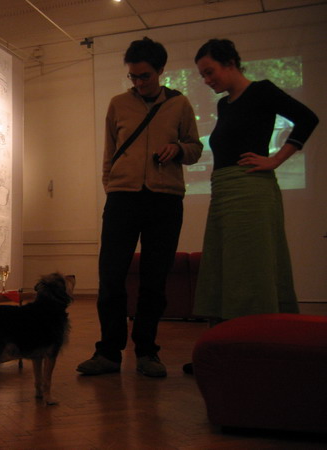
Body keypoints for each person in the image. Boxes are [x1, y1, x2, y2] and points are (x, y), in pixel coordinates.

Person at [184, 39, 319, 374]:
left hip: (251, 194)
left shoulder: (262, 91)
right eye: (202, 75)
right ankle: (225, 352)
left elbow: (307, 118)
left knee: (251, 272)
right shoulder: (224, 105)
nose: (207, 80)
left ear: (230, 63)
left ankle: (257, 353)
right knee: (224, 270)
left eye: (210, 72)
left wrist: (276, 159)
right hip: (223, 193)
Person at [77, 37, 203, 377]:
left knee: (154, 280)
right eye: (133, 76)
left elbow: (195, 149)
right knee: (111, 276)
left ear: (160, 70)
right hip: (123, 198)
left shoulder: (179, 104)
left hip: (165, 199)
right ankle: (108, 352)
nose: (138, 83)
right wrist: (111, 185)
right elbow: (109, 152)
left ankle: (147, 351)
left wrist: (178, 149)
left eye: (144, 76)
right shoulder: (118, 104)